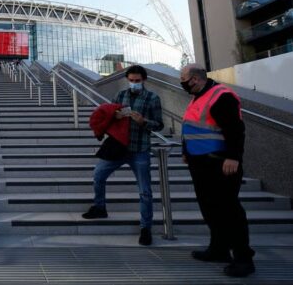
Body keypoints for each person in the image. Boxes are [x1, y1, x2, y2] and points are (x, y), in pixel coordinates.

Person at [180, 64, 255, 277]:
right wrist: (186, 151)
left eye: (183, 77)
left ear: (194, 79)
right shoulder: (198, 97)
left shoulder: (221, 96)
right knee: (210, 208)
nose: (182, 81)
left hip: (221, 164)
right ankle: (219, 248)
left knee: (230, 211)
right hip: (200, 163)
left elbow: (235, 129)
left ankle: (243, 258)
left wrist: (233, 157)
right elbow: (191, 126)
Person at [82, 65, 163, 246]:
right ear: (127, 80)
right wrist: (115, 116)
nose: (134, 83)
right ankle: (100, 207)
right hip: (118, 147)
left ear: (144, 80)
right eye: (131, 80)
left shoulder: (152, 98)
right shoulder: (120, 96)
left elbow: (159, 125)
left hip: (140, 149)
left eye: (137, 81)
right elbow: (107, 115)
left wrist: (144, 121)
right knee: (98, 175)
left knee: (145, 191)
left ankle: (146, 228)